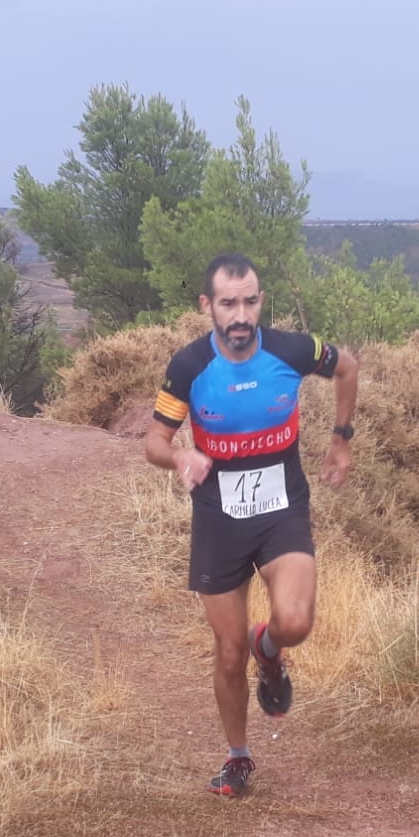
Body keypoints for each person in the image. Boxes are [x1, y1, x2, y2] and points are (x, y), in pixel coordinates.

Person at [145, 252, 359, 798]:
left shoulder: (290, 350)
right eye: (228, 303)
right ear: (207, 306)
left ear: (260, 300)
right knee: (227, 650)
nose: (240, 315)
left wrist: (341, 439)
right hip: (219, 516)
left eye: (249, 301)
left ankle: (273, 649)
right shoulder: (190, 366)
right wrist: (181, 458)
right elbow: (153, 442)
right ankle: (238, 756)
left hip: (281, 505)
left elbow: (348, 366)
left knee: (296, 621)